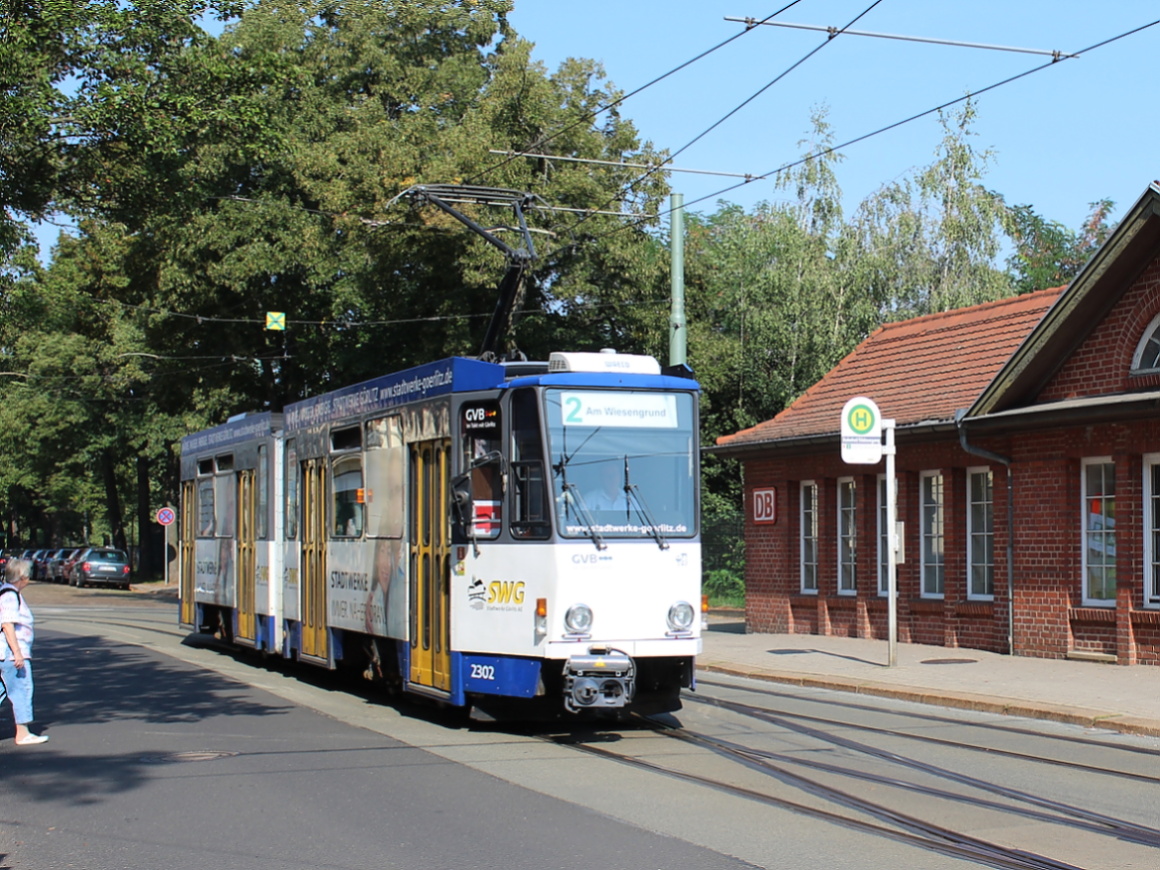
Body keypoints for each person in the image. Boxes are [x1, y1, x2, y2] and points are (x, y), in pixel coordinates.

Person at [0, 558, 48, 745]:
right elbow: (7, 625)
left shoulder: (5, 592)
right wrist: (17, 653)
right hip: (12, 654)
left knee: (3, 690)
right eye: (28, 575)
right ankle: (22, 732)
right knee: (21, 690)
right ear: (22, 577)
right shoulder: (11, 596)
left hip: (4, 654)